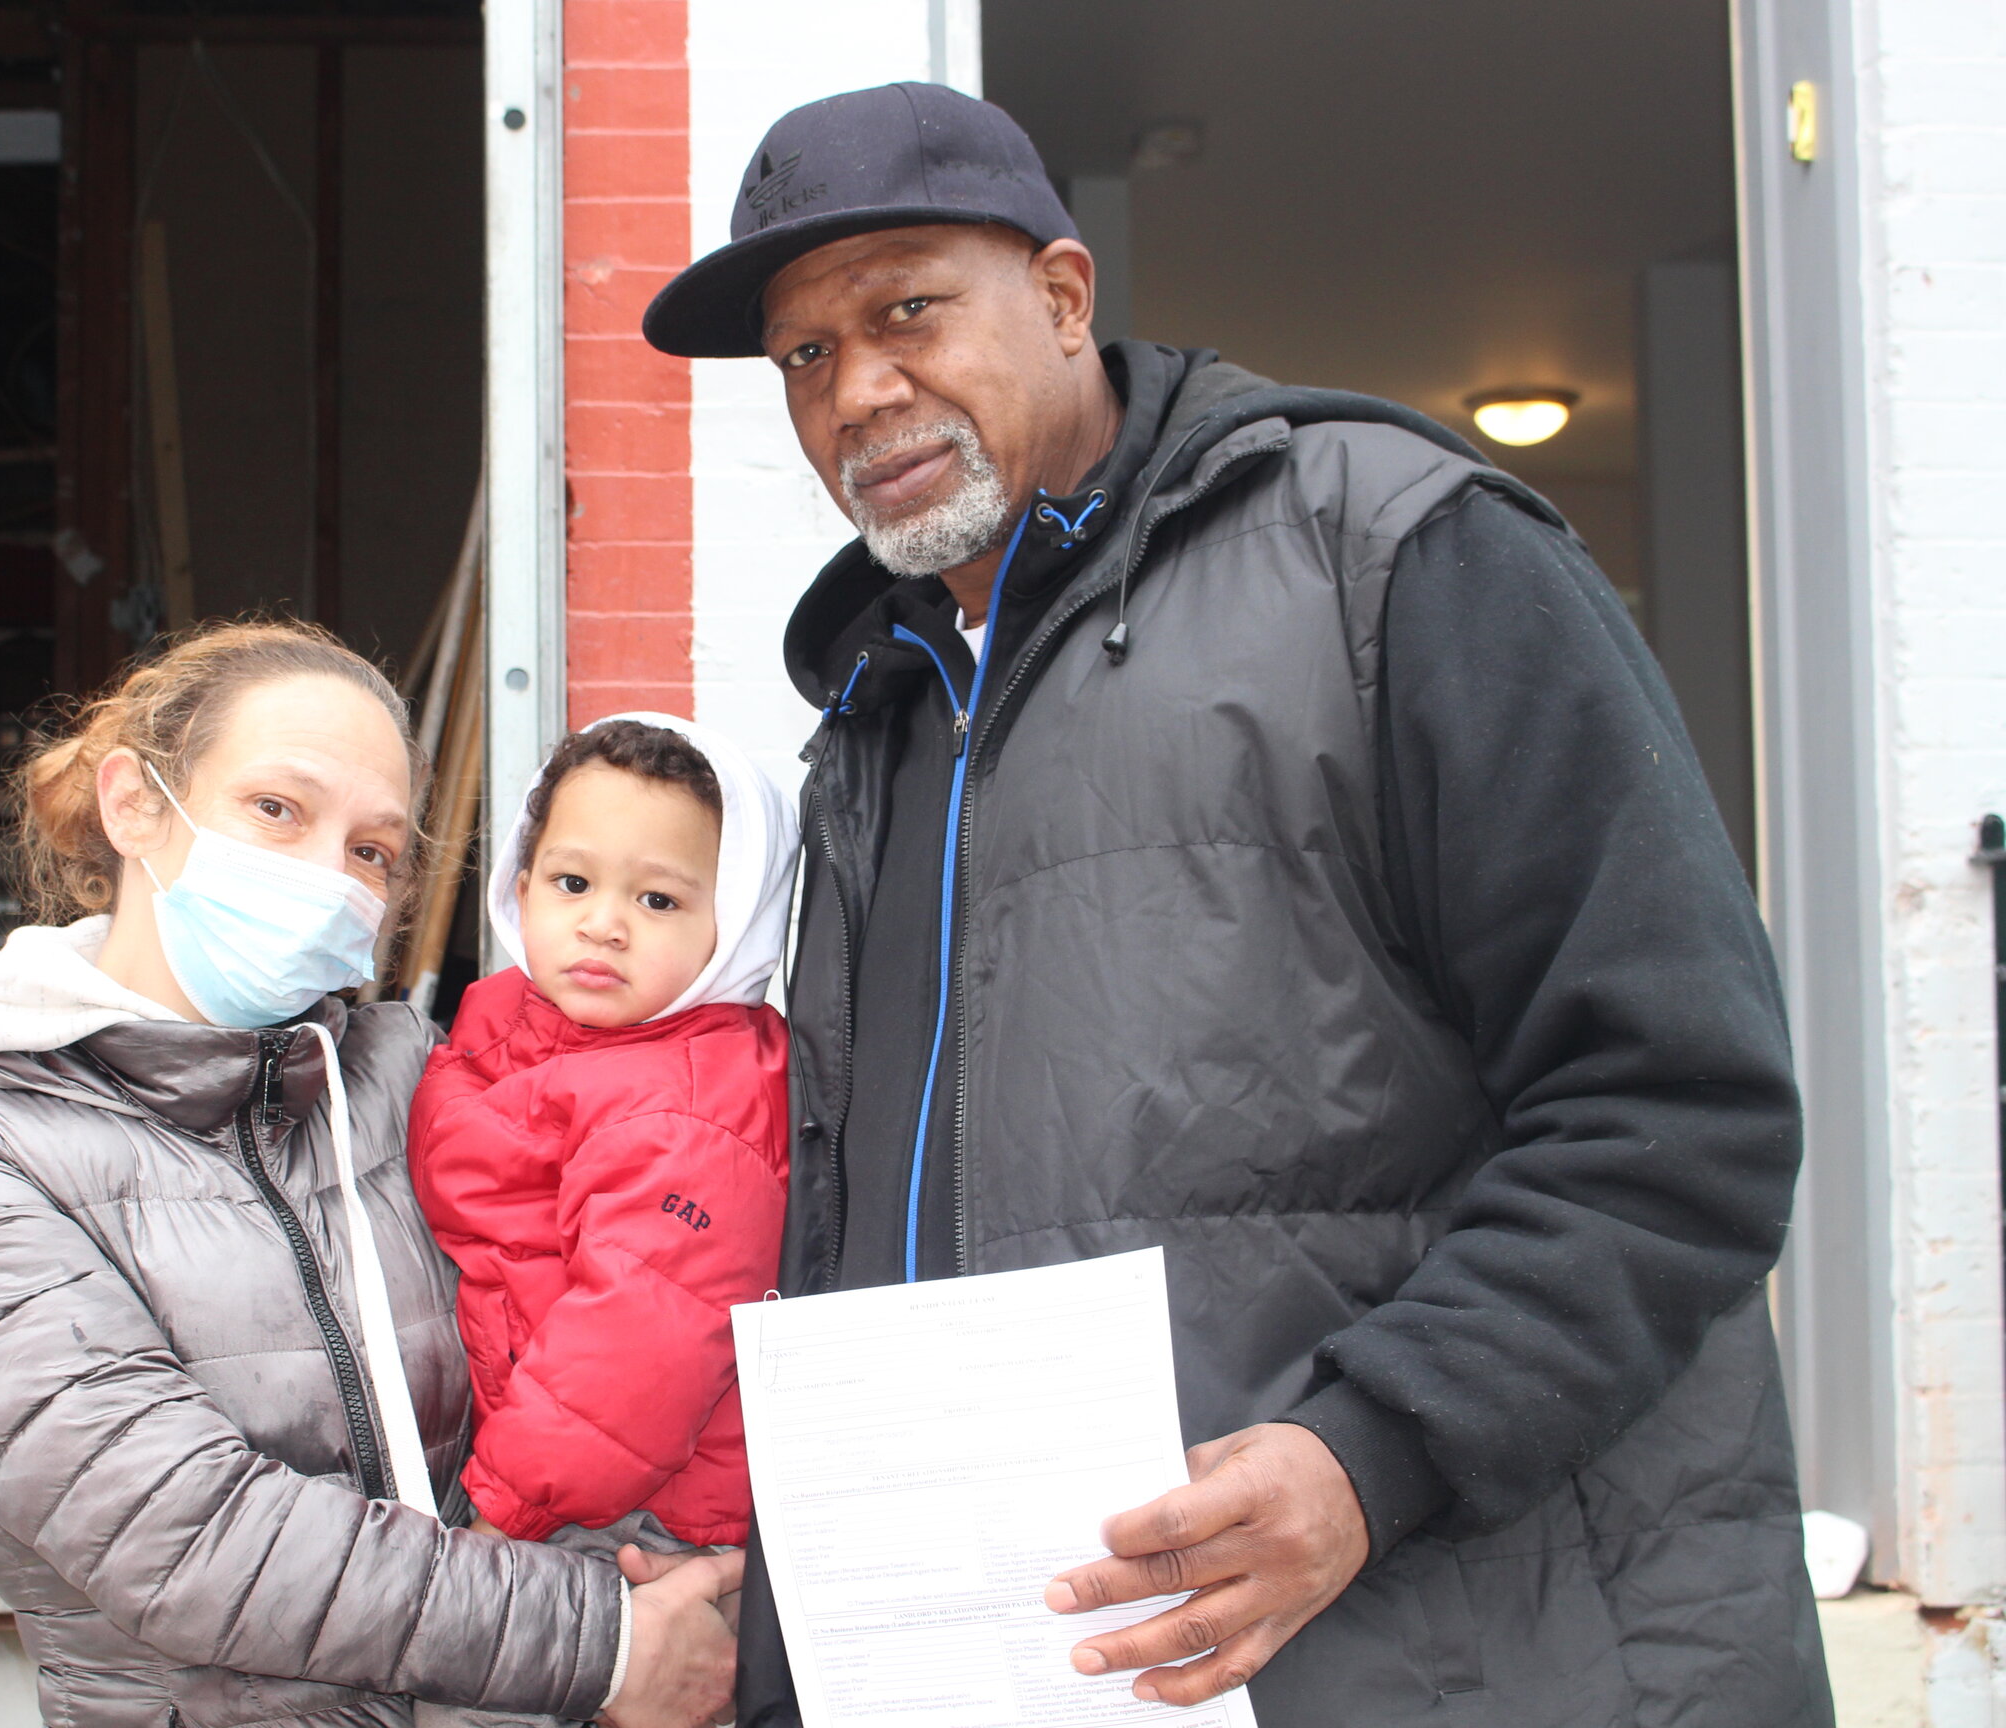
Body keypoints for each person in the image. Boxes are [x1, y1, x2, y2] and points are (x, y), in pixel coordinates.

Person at [640, 83, 1830, 1727]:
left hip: (1444, 1656)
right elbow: (879, 1241)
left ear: (1063, 296)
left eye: (904, 306)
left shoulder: (1400, 557)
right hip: (1036, 1671)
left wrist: (1372, 1449)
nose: (857, 387)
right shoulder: (877, 717)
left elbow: (1676, 1109)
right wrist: (786, 1620)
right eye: (803, 356)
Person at [0, 621, 742, 1728]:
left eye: (372, 849)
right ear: (134, 805)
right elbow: (184, 1536)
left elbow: (632, 1323)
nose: (329, 876)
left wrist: (684, 1579)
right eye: (278, 809)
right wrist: (602, 1643)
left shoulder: (421, 1074)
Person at [409, 717, 795, 1573]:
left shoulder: (690, 1111)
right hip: (532, 1458)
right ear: (521, 882)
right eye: (572, 881)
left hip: (624, 1516)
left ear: (736, 925)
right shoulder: (510, 1023)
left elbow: (632, 1365)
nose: (603, 925)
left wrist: (497, 1529)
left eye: (658, 900)